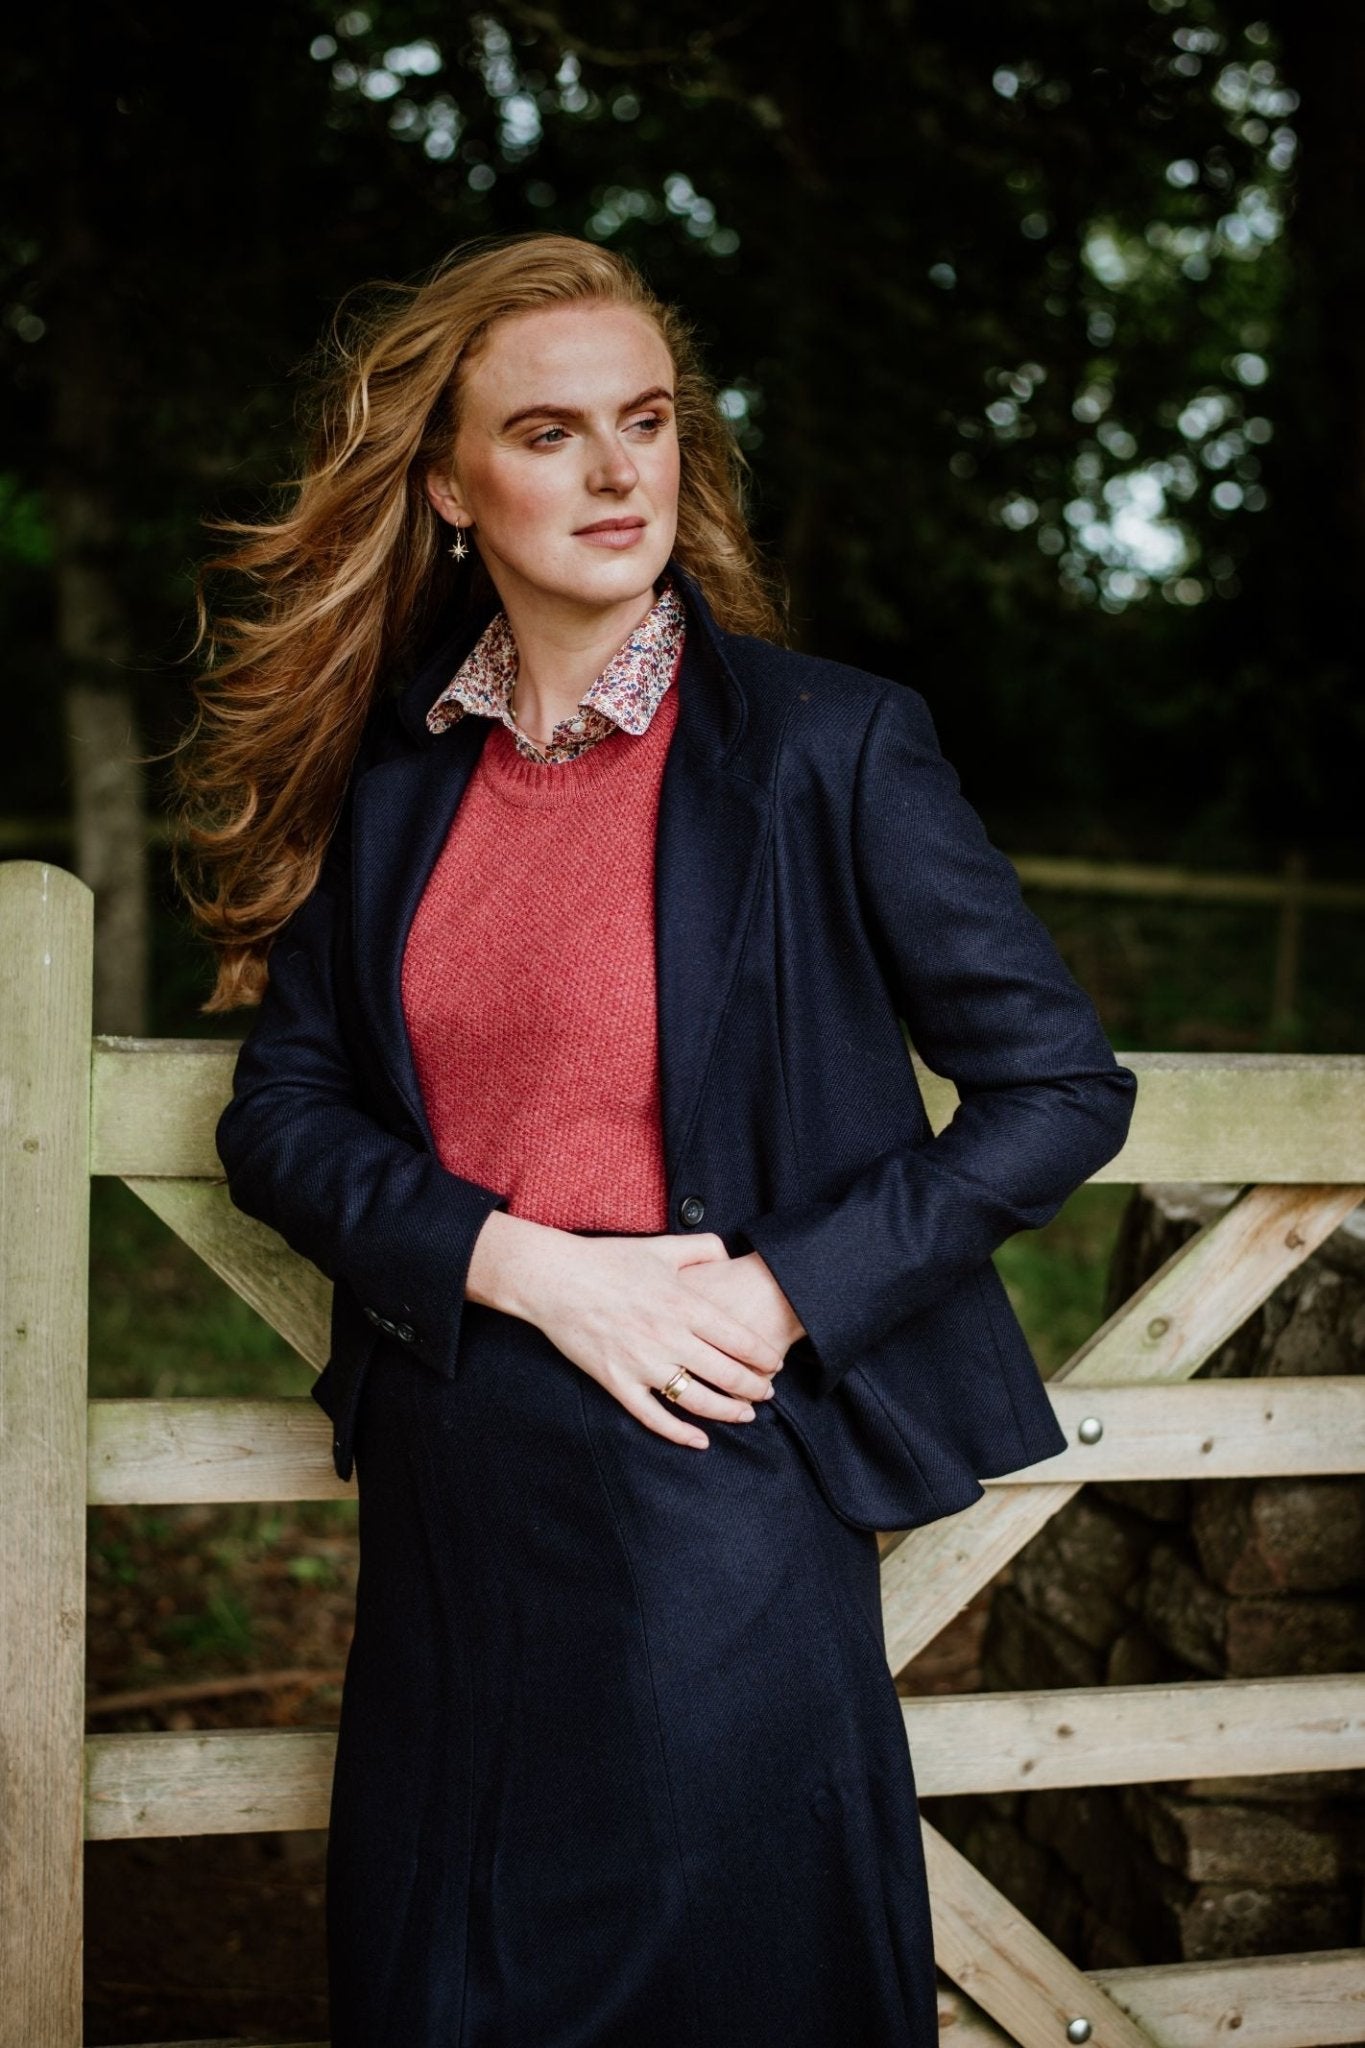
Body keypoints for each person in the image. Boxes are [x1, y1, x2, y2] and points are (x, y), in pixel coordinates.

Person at [175, 231, 1138, 2048]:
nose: (617, 473)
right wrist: (518, 1263)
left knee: (734, 1990)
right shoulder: (395, 783)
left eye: (648, 421)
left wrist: (779, 1297)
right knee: (440, 1983)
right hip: (460, 1474)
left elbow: (1059, 1090)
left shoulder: (825, 748)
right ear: (452, 489)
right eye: (549, 433)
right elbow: (280, 1114)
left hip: (719, 1473)